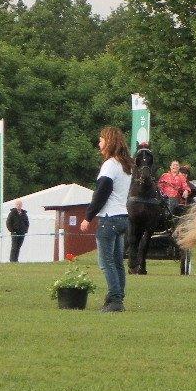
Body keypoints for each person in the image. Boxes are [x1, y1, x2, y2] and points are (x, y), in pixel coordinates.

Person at [80, 126, 132, 313]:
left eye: (101, 139)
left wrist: (88, 216)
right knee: (118, 262)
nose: (99, 143)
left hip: (109, 218)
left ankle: (115, 300)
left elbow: (101, 193)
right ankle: (116, 297)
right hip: (122, 217)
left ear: (109, 142)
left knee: (106, 262)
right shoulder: (125, 166)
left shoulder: (110, 165)